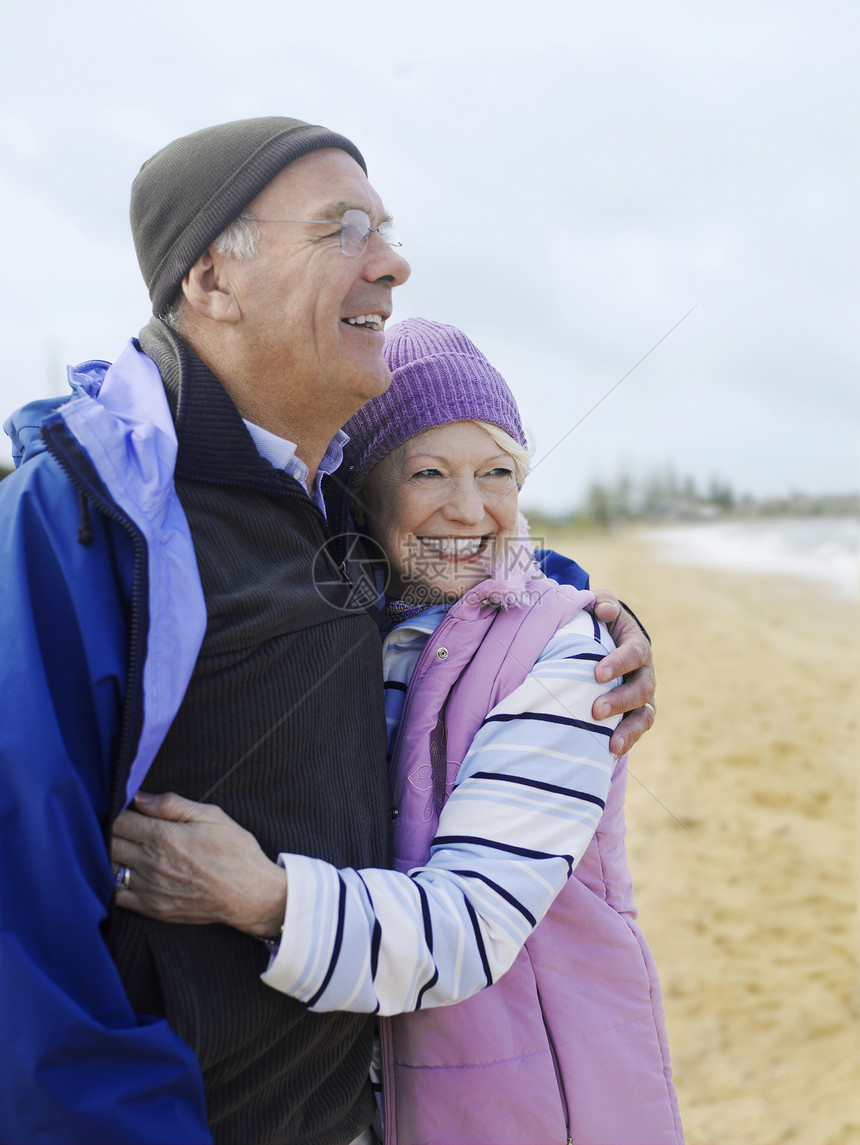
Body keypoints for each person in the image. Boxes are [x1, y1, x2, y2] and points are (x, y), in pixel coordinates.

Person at [0, 116, 655, 1145]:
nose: (390, 263)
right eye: (343, 228)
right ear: (212, 276)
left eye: (385, 228)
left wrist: (583, 614)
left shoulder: (319, 500)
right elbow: (25, 913)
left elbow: (456, 571)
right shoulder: (92, 515)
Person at [112, 318, 682, 1145]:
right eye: (429, 471)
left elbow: (474, 919)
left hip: (547, 1107)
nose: (470, 508)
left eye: (498, 472)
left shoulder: (572, 654)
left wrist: (262, 895)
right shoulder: (347, 632)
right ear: (367, 490)